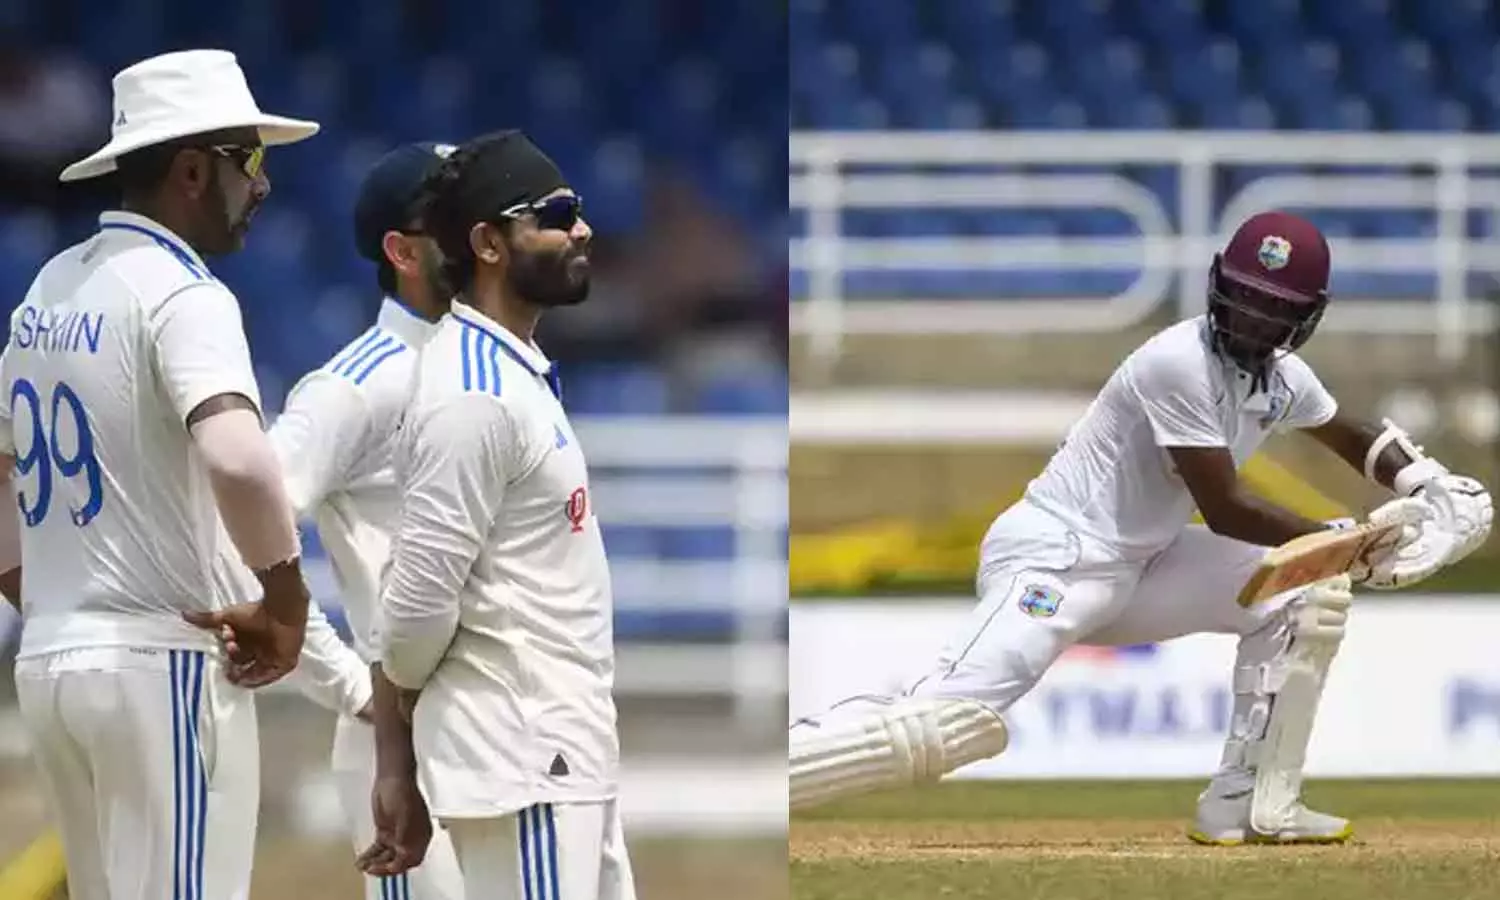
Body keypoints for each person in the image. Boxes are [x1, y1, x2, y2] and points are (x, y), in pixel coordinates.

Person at [789, 211, 1494, 845]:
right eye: (1243, 296)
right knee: (949, 724)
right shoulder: (1176, 362)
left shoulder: (1281, 378)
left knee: (1304, 596)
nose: (1251, 319)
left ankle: (1249, 804)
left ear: (1304, 317)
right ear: (1218, 284)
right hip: (1057, 558)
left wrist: (1428, 483)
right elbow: (1225, 506)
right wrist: (1351, 547)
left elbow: (1351, 433)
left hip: (1146, 564)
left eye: (1273, 308)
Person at [0, 49, 319, 899]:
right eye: (250, 159)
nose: (263, 185)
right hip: (160, 661)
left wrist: (48, 602)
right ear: (192, 170)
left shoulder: (49, 286)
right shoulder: (184, 293)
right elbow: (237, 455)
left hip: (54, 661)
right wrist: (286, 601)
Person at [355, 130, 636, 899]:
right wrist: (400, 756)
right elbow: (412, 612)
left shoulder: (508, 373)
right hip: (524, 754)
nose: (582, 230)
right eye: (557, 215)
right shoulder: (473, 394)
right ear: (487, 243)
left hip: (557, 750)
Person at [245, 141, 466, 900]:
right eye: (455, 217)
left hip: (504, 718)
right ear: (402, 251)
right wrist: (347, 685)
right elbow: (243, 533)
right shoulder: (353, 386)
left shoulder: (498, 367)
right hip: (406, 735)